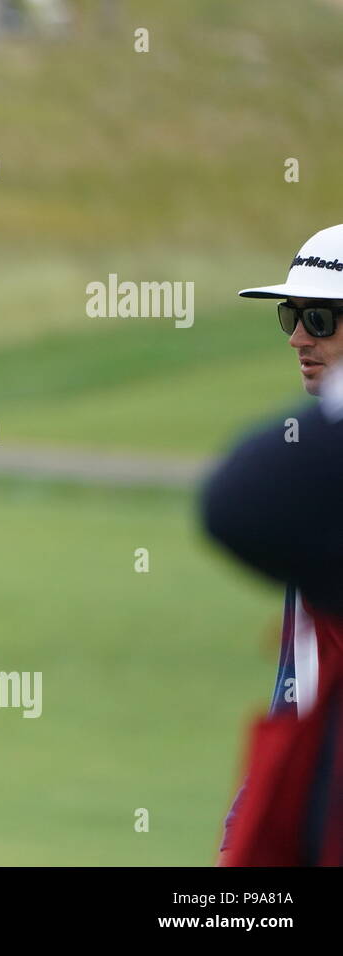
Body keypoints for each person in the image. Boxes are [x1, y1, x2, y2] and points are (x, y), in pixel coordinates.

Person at [202, 224, 343, 864]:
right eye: (292, 313)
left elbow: (235, 503)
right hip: (305, 755)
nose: (297, 336)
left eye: (320, 317)